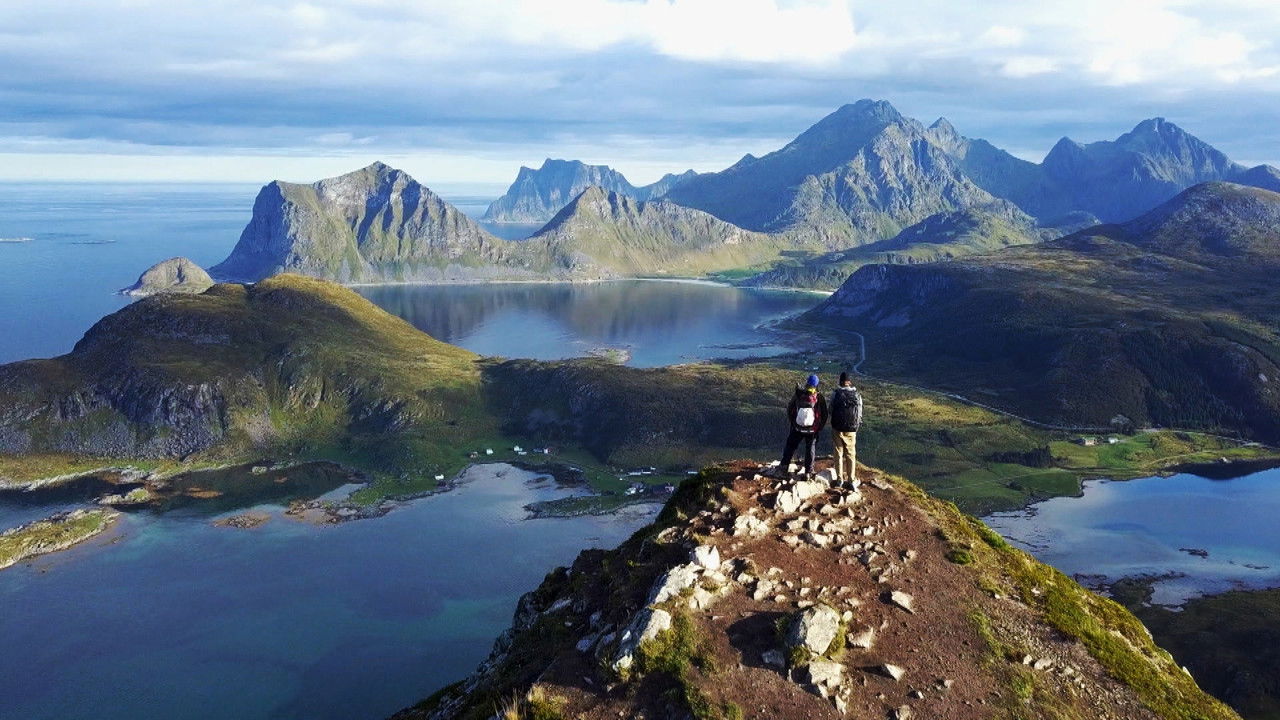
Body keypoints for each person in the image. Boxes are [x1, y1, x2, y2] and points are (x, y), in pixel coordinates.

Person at [777, 374, 827, 478]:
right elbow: (825, 413)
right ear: (816, 384)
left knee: (790, 445)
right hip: (812, 430)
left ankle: (784, 466)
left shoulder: (799, 394)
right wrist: (819, 427)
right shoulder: (819, 397)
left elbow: (790, 408)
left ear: (807, 382)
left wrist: (793, 422)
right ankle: (808, 472)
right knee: (810, 448)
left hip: (797, 427)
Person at [829, 371, 863, 488]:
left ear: (840, 382)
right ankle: (851, 480)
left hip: (837, 428)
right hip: (851, 429)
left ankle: (839, 480)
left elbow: (830, 409)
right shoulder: (857, 395)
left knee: (838, 453)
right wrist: (855, 427)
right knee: (850, 454)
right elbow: (859, 414)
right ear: (849, 382)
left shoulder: (835, 394)